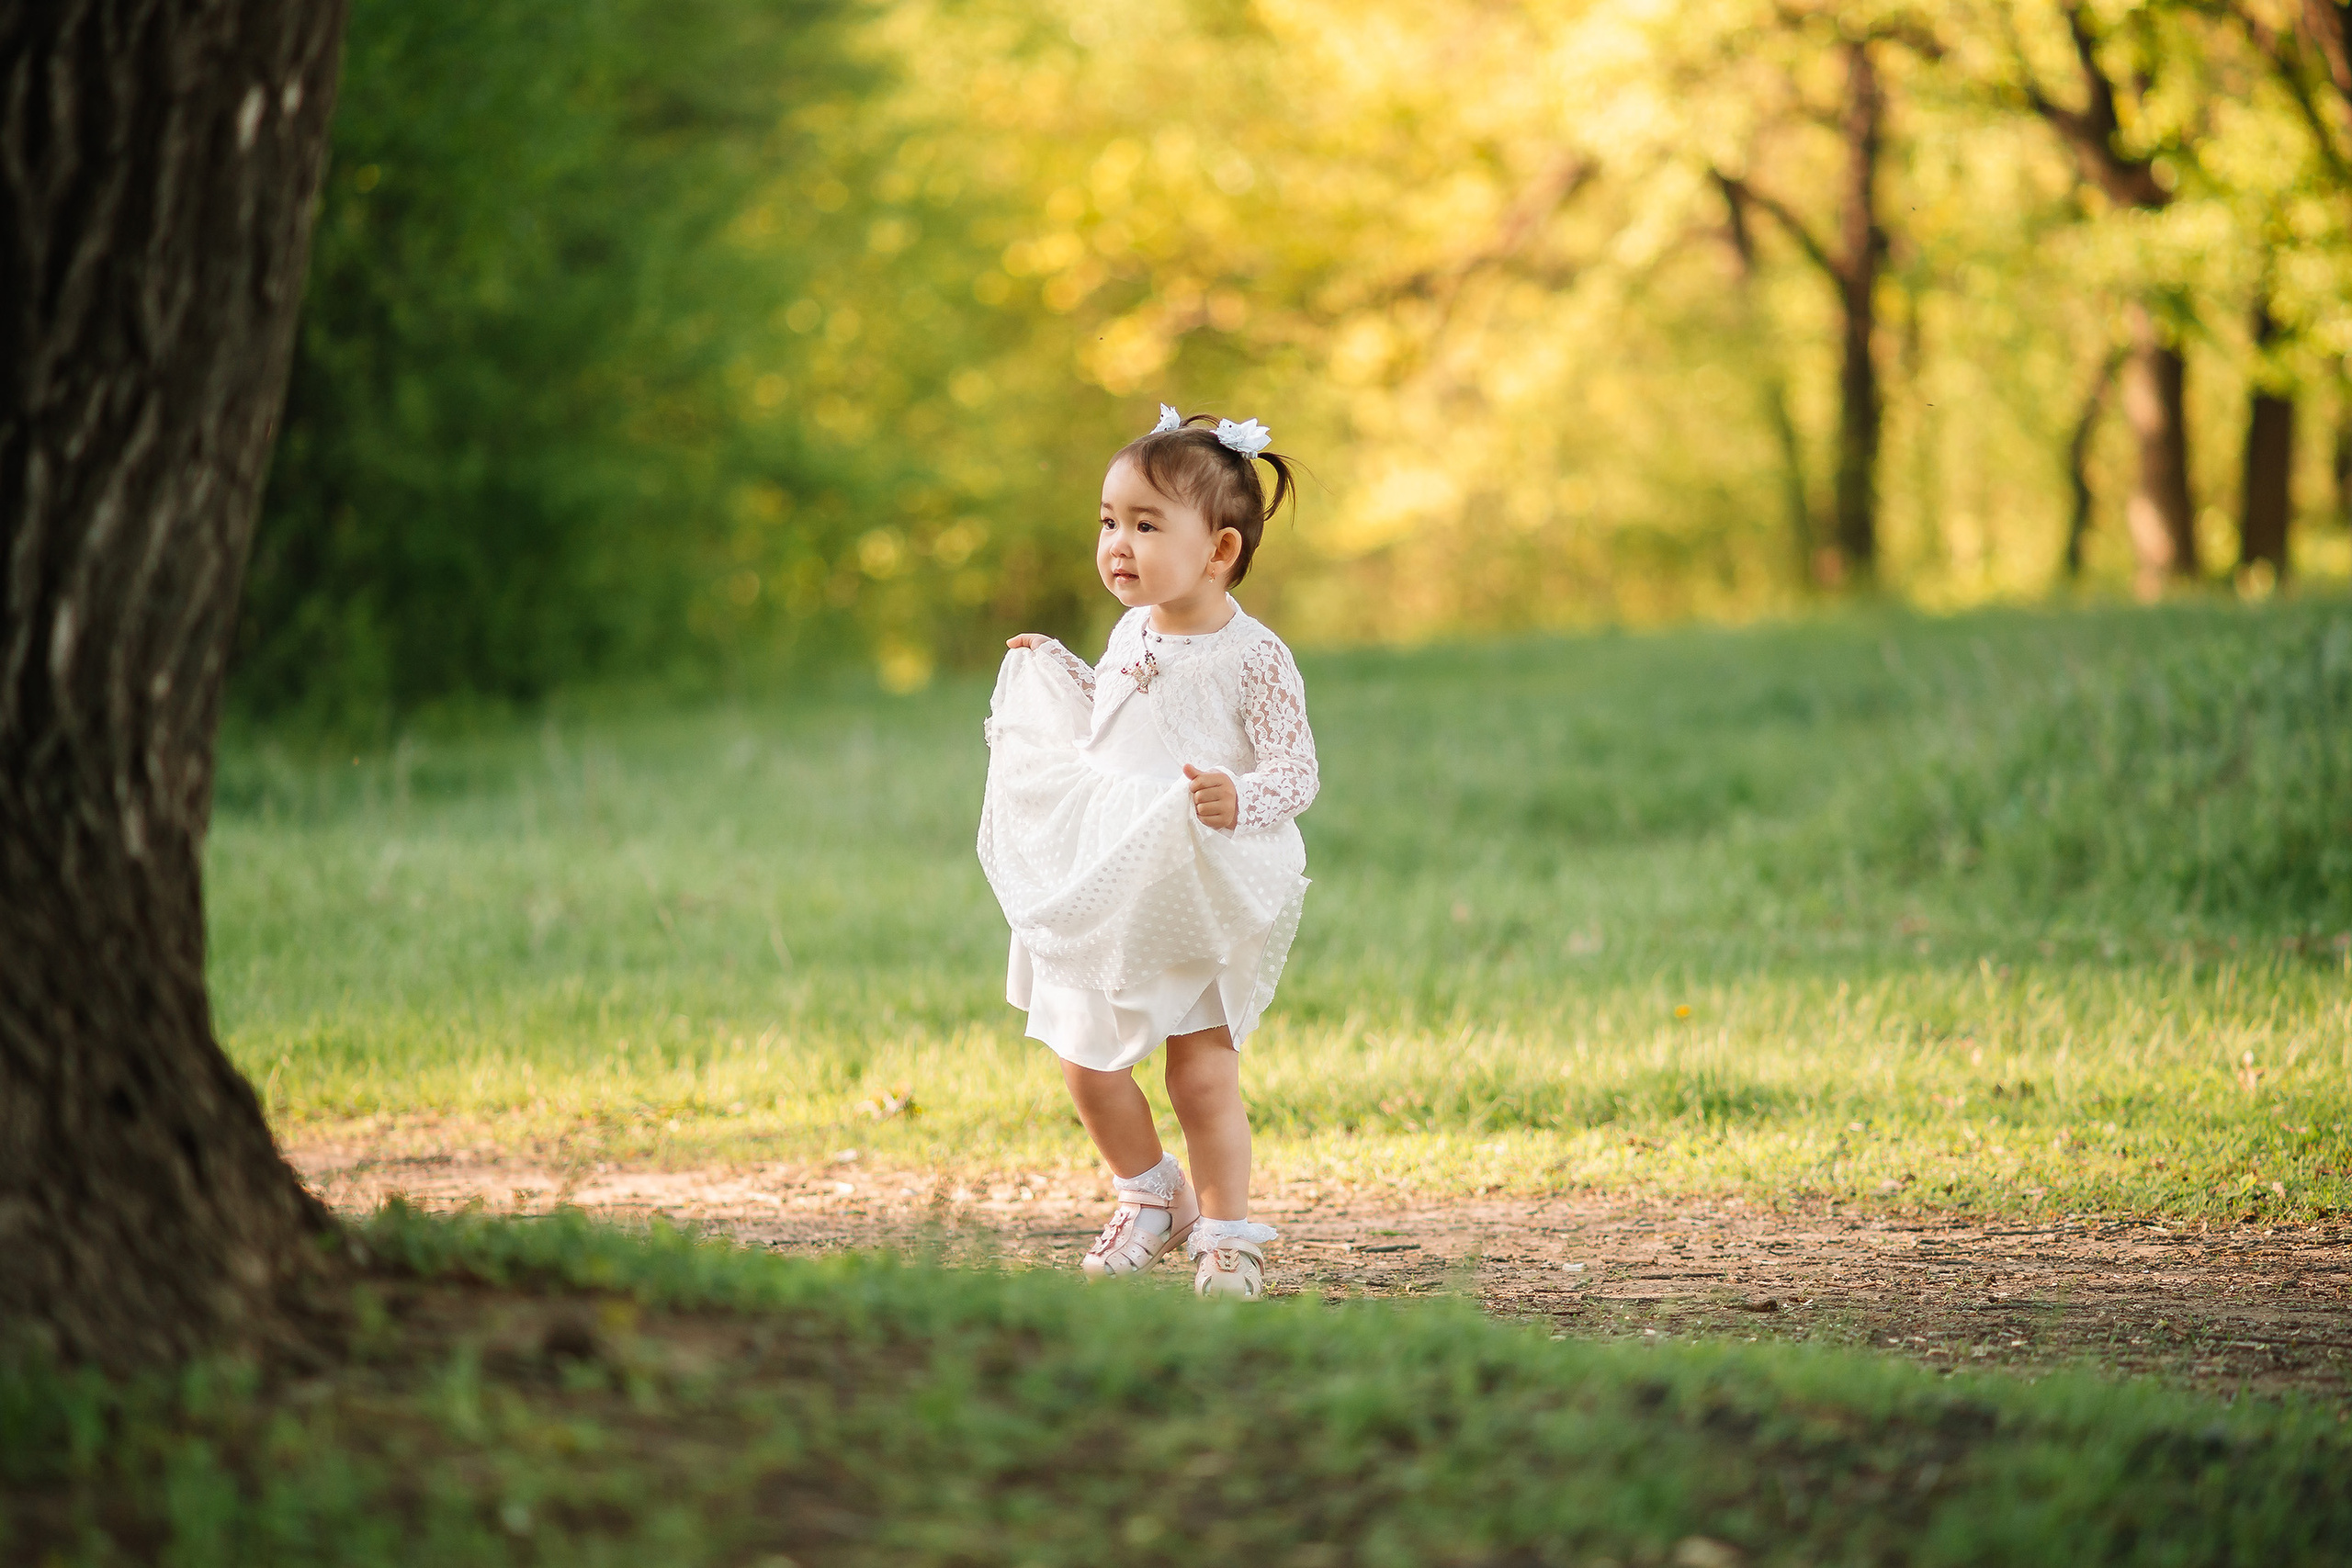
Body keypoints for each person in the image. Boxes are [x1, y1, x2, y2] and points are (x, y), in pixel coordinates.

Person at [978, 405, 1318, 1300]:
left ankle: (1225, 1232)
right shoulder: (1131, 632)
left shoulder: (1254, 656)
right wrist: (1061, 673)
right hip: (1115, 865)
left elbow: (1297, 771)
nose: (1116, 543)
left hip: (1195, 875)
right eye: (1107, 521)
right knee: (1084, 1056)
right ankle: (1149, 1193)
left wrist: (1239, 795)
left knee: (1198, 1069)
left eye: (1143, 524)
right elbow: (1117, 728)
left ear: (1219, 551)